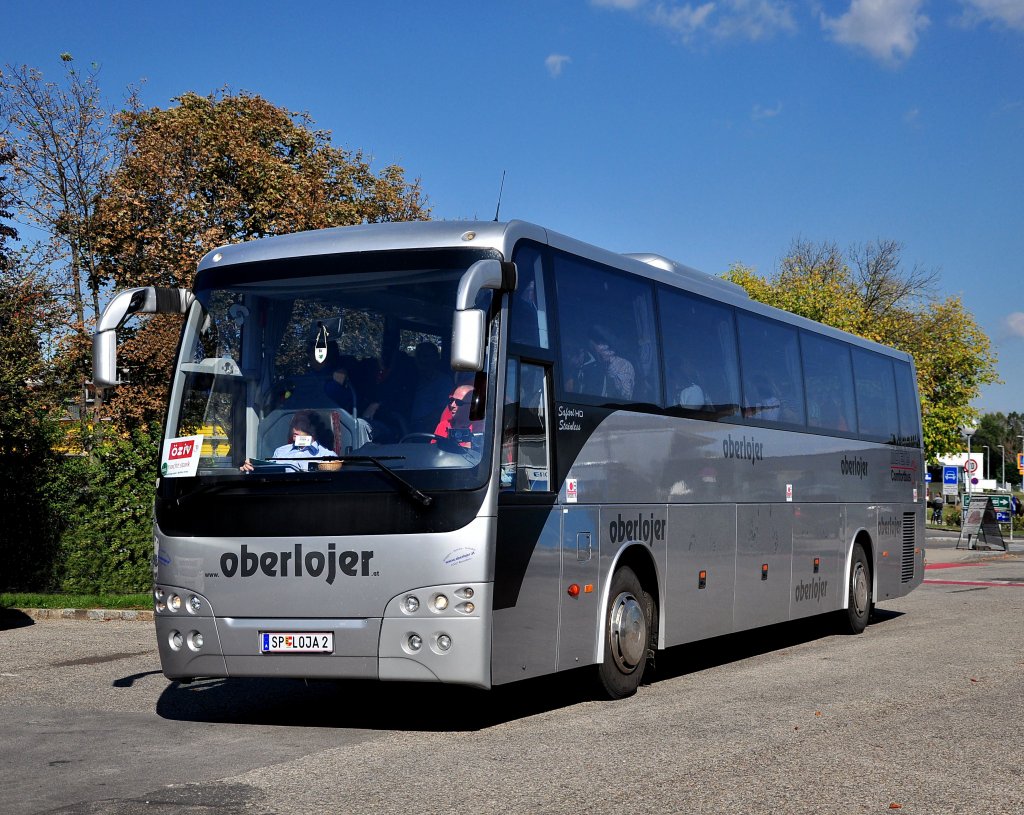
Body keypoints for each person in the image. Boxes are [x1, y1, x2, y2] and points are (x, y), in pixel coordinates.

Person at [241, 411, 336, 472]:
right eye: (294, 425)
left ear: (313, 430)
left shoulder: (328, 456)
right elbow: (267, 473)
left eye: (302, 425)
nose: (295, 429)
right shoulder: (280, 451)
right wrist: (250, 468)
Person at [409, 342, 452, 433]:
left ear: (436, 358)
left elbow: (443, 410)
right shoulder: (411, 379)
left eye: (426, 356)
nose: (422, 360)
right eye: (419, 356)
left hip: (427, 431)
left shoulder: (443, 381)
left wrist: (421, 424)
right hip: (406, 426)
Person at [588, 326, 635, 399]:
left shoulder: (624, 365)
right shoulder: (594, 367)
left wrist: (612, 378)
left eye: (603, 343)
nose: (604, 347)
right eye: (598, 343)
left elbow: (626, 397)